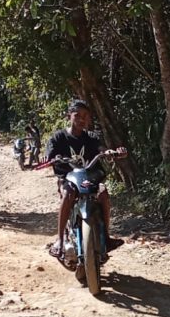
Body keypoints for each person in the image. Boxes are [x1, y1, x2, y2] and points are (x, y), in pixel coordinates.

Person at [46, 100, 126, 260]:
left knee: (103, 194)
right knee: (68, 194)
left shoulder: (91, 137)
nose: (82, 119)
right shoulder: (59, 137)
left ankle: (106, 237)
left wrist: (110, 153)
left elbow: (101, 149)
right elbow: (49, 155)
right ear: (69, 116)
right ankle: (60, 240)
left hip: (90, 179)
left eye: (85, 116)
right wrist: (51, 158)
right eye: (77, 115)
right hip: (68, 179)